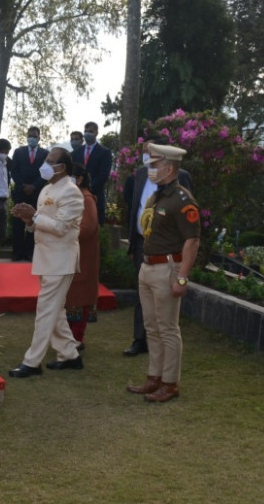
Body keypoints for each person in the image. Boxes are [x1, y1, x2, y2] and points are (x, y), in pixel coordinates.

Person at [127, 143, 200, 402]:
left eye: (155, 165)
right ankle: (154, 378)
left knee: (168, 328)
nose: (151, 169)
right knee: (152, 326)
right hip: (147, 267)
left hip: (167, 268)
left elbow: (192, 241)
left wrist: (182, 276)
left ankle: (170, 383)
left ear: (169, 167)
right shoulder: (157, 196)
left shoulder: (182, 199)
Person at [8, 147, 85, 377]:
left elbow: (61, 228)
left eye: (50, 161)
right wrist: (28, 220)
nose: (45, 164)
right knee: (56, 310)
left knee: (45, 309)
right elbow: (41, 223)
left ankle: (32, 362)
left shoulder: (71, 192)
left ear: (61, 168)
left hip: (61, 259)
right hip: (46, 257)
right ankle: (70, 355)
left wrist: (34, 216)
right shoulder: (47, 188)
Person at [122, 135, 193, 357]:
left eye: (151, 155)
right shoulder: (142, 174)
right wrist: (134, 242)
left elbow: (188, 229)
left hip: (168, 252)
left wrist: (182, 273)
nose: (147, 160)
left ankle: (166, 363)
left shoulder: (182, 179)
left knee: (164, 309)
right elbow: (135, 207)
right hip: (143, 245)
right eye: (145, 153)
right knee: (142, 296)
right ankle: (140, 339)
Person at [65, 163, 99, 349]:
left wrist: (63, 230)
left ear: (78, 179)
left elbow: (87, 228)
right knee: (71, 296)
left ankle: (77, 338)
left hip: (83, 255)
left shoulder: (86, 199)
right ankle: (70, 336)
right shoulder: (75, 197)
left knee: (80, 296)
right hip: (72, 254)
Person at [9, 126, 48, 261]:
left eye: (35, 136)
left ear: (39, 138)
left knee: (35, 222)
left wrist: (34, 186)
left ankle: (30, 252)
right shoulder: (19, 152)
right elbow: (14, 171)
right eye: (30, 135)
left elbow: (45, 173)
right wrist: (23, 185)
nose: (32, 138)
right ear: (27, 136)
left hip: (37, 194)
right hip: (20, 192)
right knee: (18, 224)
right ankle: (17, 252)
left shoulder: (45, 153)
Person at [70, 121, 112, 225]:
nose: (87, 133)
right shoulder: (77, 152)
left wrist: (87, 188)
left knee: (93, 225)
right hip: (76, 196)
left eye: (91, 131)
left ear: (96, 133)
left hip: (95, 195)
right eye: (86, 131)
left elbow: (103, 175)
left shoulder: (104, 152)